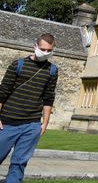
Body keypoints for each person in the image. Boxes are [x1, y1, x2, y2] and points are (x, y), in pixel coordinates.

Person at [0, 33, 58, 183]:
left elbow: (48, 98)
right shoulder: (17, 65)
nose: (45, 52)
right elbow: (2, 92)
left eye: (48, 50)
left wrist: (45, 122)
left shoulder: (52, 71)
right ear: (35, 46)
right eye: (42, 49)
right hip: (7, 123)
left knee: (19, 163)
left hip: (31, 125)